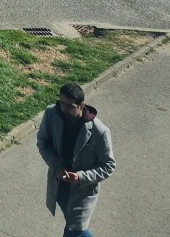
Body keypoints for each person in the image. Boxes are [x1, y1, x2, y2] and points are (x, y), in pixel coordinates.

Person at [37, 81, 115, 237]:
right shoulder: (52, 114)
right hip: (59, 186)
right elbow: (43, 142)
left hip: (82, 192)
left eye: (69, 105)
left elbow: (108, 165)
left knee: (74, 229)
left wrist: (80, 177)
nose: (63, 108)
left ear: (81, 105)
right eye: (61, 102)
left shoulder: (99, 131)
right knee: (74, 227)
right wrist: (56, 166)